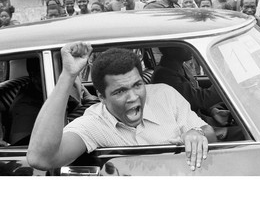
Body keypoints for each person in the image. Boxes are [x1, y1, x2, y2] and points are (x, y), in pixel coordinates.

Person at [27, 42, 216, 171]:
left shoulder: (164, 94)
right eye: (120, 91)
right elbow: (40, 159)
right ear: (101, 97)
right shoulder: (94, 123)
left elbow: (210, 134)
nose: (133, 97)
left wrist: (196, 134)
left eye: (137, 85)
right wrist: (68, 75)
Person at [151, 46, 244, 141]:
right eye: (185, 47)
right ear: (171, 49)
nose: (191, 49)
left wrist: (213, 111)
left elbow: (195, 95)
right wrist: (227, 81)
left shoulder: (180, 67)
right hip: (193, 128)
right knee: (243, 132)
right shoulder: (165, 75)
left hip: (200, 117)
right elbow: (199, 100)